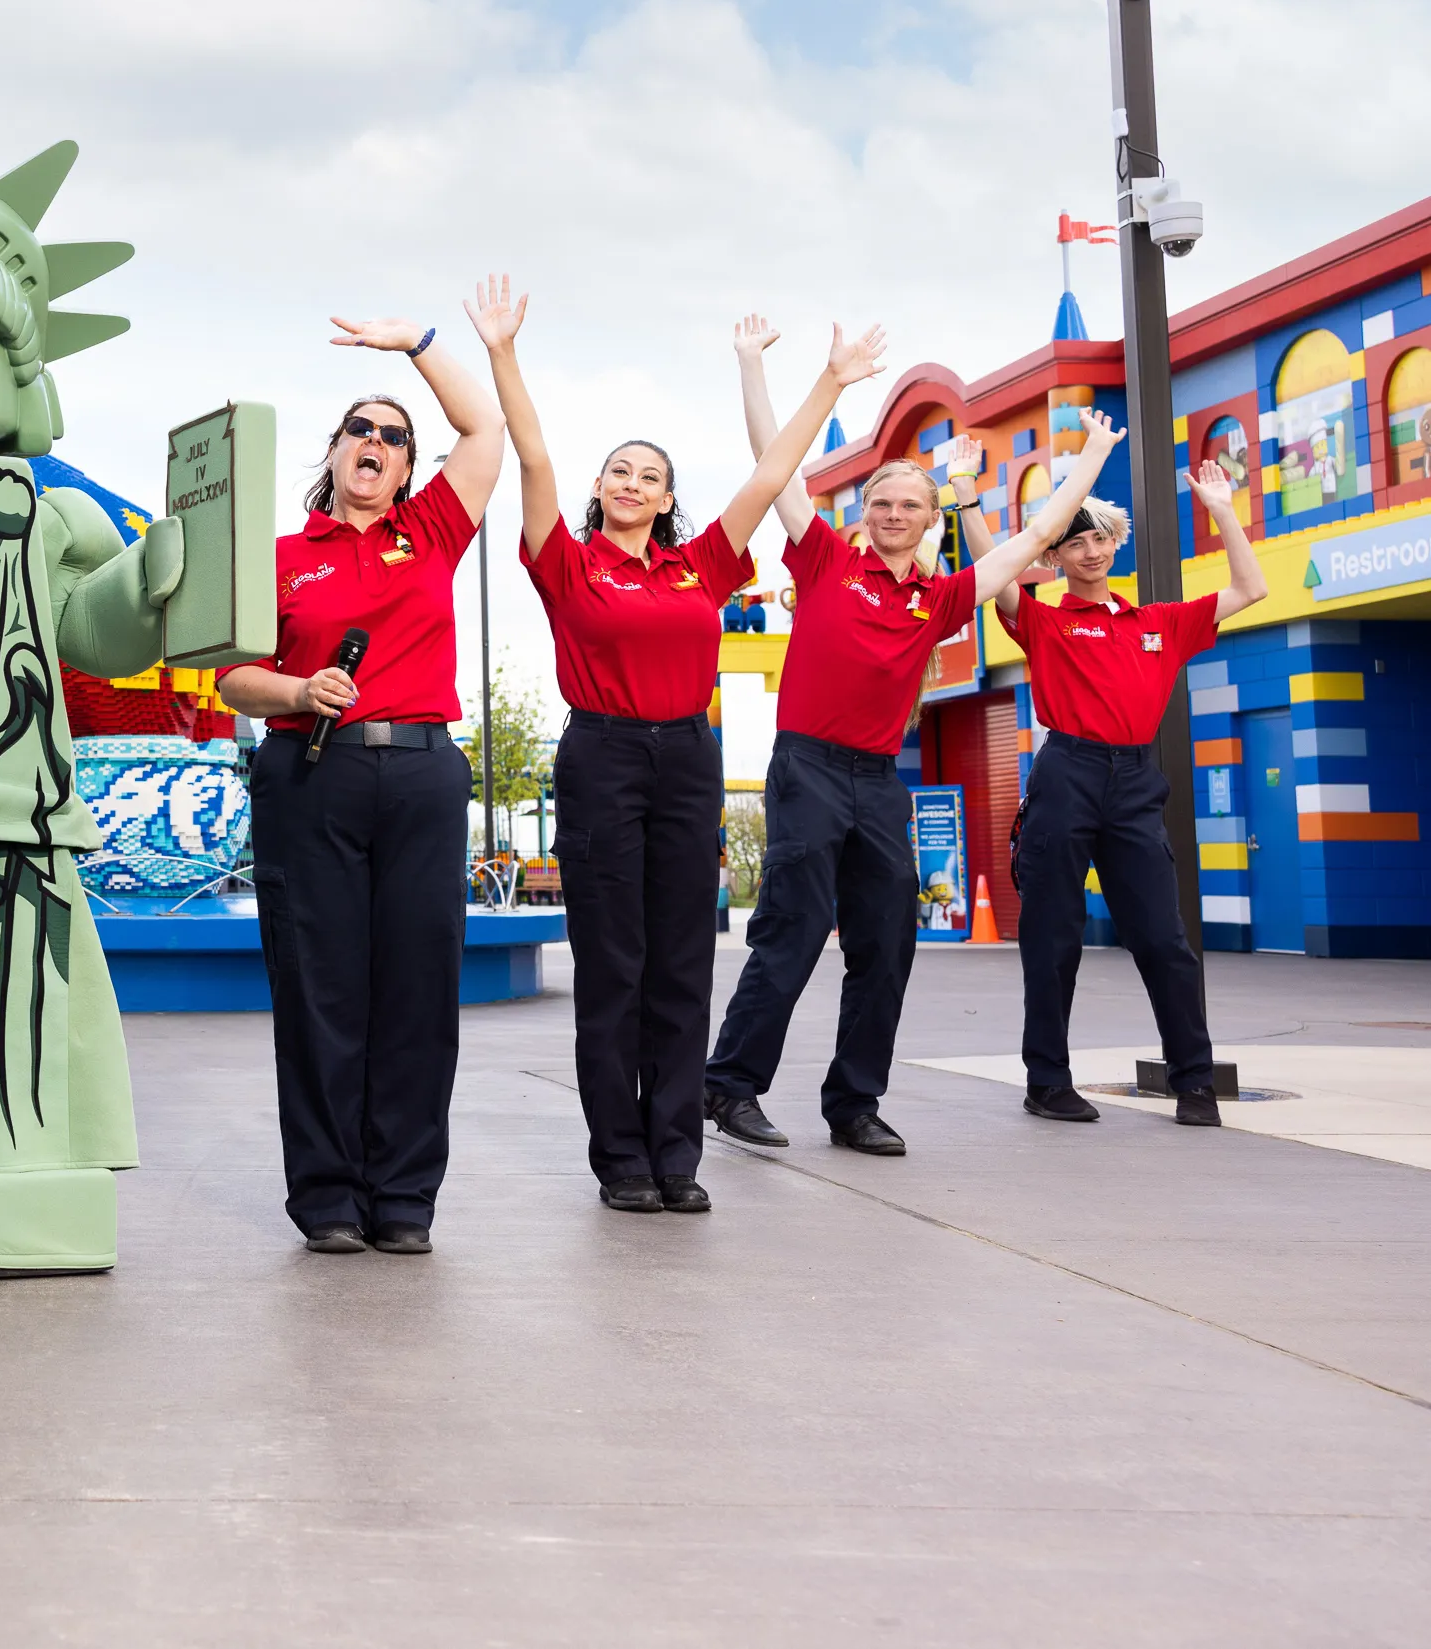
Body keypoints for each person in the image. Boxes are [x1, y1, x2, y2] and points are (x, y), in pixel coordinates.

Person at [488, 294, 887, 1213]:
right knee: (613, 966)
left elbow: (773, 469)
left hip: (687, 759)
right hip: (602, 756)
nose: (630, 482)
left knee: (681, 962)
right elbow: (534, 454)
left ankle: (679, 1154)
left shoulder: (700, 565)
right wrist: (507, 353)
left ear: (668, 499)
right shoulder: (567, 560)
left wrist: (831, 376)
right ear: (600, 490)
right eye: (617, 471)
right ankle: (621, 1157)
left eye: (649, 475)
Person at [706, 319, 1123, 1156]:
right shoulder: (823, 559)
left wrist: (1090, 458)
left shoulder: (938, 599)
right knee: (791, 928)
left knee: (889, 937)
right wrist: (753, 365)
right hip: (808, 767)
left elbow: (1036, 539)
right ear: (865, 513)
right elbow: (774, 463)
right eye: (883, 502)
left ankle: (853, 1102)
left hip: (875, 779)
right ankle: (731, 1085)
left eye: (911, 504)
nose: (894, 513)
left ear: (932, 519)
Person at [214, 283, 508, 1257]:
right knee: (319, 989)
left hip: (422, 777)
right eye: (358, 429)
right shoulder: (283, 554)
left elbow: (485, 426)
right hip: (312, 777)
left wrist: (415, 345)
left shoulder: (430, 534)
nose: (374, 441)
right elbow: (235, 682)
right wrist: (298, 694)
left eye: (393, 435)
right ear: (335, 454)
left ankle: (405, 1200)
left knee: (418, 991)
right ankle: (331, 1200)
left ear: (408, 466)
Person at [960, 458, 1266, 1128]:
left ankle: (1193, 1082)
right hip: (1065, 774)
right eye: (1074, 541)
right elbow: (995, 575)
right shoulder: (1045, 620)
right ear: (1057, 554)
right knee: (1052, 937)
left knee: (1164, 938)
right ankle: (1047, 1080)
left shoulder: (1159, 621)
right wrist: (965, 499)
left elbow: (1252, 586)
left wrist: (1220, 508)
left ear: (1114, 542)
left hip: (1133, 782)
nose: (1090, 551)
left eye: (1099, 538)